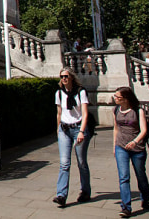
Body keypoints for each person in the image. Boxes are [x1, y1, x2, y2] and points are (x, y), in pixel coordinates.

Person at [52, 67, 91, 207]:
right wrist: (58, 129)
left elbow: (85, 113)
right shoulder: (59, 93)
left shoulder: (81, 92)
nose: (64, 79)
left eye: (66, 76)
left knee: (81, 162)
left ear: (71, 77)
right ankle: (61, 195)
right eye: (62, 76)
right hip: (64, 129)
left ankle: (85, 191)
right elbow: (59, 112)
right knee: (64, 164)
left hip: (78, 129)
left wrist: (81, 131)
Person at [113, 86, 149, 217]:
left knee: (140, 175)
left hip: (137, 148)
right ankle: (126, 207)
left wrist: (135, 141)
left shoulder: (138, 111)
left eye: (118, 97)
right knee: (124, 177)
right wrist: (114, 146)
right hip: (121, 147)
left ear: (125, 98)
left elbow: (144, 130)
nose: (115, 98)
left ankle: (145, 197)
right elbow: (116, 129)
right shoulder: (116, 109)